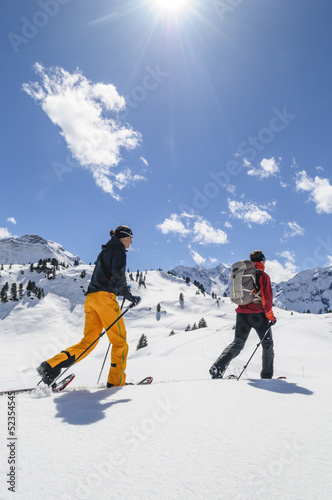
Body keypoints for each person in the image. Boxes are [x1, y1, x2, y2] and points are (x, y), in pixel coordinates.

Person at [37, 225, 141, 387]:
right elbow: (118, 275)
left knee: (88, 342)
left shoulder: (105, 251)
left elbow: (106, 275)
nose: (132, 242)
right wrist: (129, 296)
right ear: (123, 238)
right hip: (106, 299)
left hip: (92, 299)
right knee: (120, 342)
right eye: (130, 238)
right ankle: (116, 382)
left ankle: (51, 366)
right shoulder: (119, 250)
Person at [209, 250, 276, 379]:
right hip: (258, 316)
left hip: (241, 314)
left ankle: (217, 368)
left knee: (238, 343)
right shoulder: (263, 276)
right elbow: (267, 300)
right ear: (262, 261)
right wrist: (271, 318)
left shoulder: (242, 275)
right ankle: (267, 377)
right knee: (267, 344)